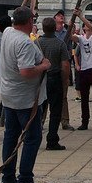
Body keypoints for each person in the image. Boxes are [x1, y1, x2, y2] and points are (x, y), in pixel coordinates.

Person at [0, 6, 50, 183]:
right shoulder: (24, 42)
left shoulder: (8, 32)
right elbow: (26, 71)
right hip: (25, 99)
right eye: (33, 19)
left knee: (10, 136)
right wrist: (44, 65)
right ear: (29, 21)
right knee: (32, 138)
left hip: (9, 95)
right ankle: (25, 180)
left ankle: (7, 179)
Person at [35, 17, 70, 149]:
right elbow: (65, 65)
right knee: (55, 111)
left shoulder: (36, 43)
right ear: (55, 28)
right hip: (55, 78)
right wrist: (65, 80)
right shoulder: (60, 44)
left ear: (43, 29)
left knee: (38, 109)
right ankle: (52, 140)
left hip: (40, 79)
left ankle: (34, 137)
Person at [73, 8, 92, 132]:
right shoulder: (81, 38)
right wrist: (71, 23)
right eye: (86, 25)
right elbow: (71, 37)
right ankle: (84, 122)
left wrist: (80, 16)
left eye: (89, 24)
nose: (87, 25)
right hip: (84, 70)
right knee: (84, 99)